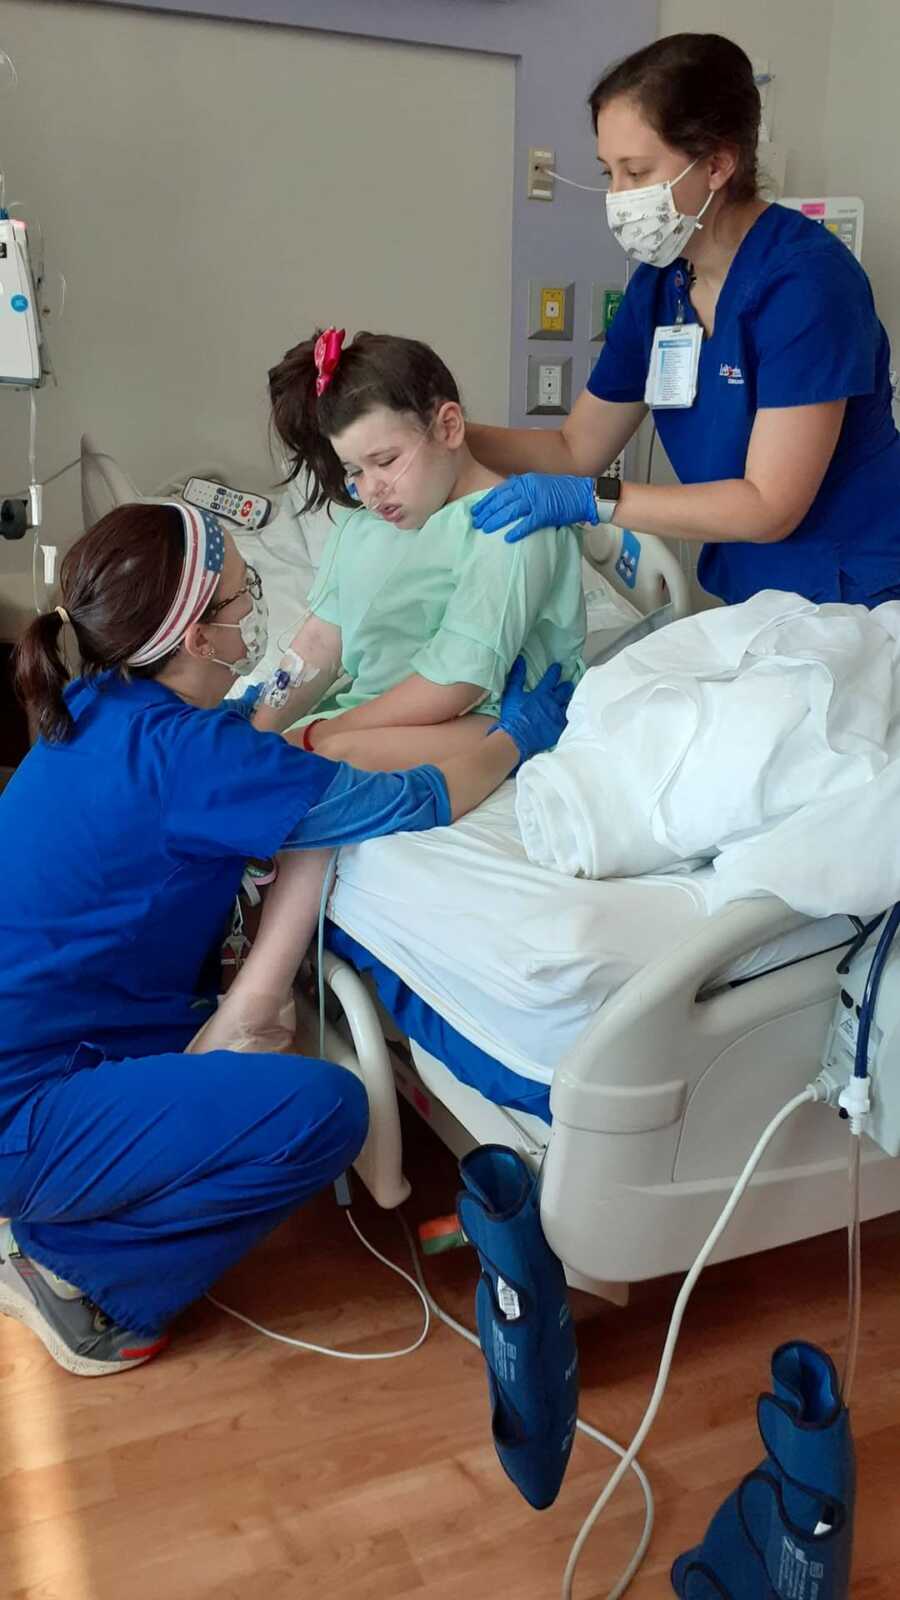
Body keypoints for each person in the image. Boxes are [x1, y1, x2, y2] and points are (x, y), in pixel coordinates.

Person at [0, 500, 572, 1378]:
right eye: (239, 599)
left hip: (53, 1036)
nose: (252, 611)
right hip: (23, 1109)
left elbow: (247, 725)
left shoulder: (96, 702)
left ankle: (72, 1197)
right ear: (194, 636)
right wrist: (517, 738)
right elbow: (423, 797)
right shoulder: (198, 762)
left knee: (217, 1030)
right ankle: (90, 1282)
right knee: (326, 1109)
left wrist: (306, 711)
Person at [468, 32, 900, 609]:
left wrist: (591, 499)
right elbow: (576, 449)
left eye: (637, 172)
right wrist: (440, 439)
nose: (618, 198)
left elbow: (771, 504)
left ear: (718, 163)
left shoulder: (809, 284)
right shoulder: (661, 284)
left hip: (858, 592)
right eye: (608, 174)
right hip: (758, 592)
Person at [252, 326, 586, 769]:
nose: (371, 490)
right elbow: (318, 642)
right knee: (255, 763)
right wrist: (258, 732)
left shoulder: (509, 525)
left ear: (448, 427)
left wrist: (319, 732)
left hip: (484, 715)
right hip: (382, 711)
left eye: (386, 462)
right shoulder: (367, 523)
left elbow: (456, 686)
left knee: (321, 764)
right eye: (354, 470)